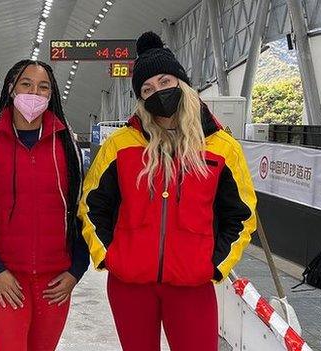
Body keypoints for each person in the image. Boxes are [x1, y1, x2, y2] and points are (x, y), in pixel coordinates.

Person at [78, 32, 257, 351]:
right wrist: (110, 256)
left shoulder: (220, 148)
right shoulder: (121, 145)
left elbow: (241, 216)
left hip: (192, 286)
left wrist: (214, 265)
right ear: (140, 98)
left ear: (182, 83)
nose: (157, 92)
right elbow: (92, 207)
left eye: (164, 81)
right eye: (147, 89)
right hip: (130, 286)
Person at [0, 59, 89, 351]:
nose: (35, 92)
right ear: (11, 89)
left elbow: (83, 211)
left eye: (43, 87)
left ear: (51, 95)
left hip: (54, 283)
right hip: (6, 281)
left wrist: (76, 270)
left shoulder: (66, 144)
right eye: (26, 84)